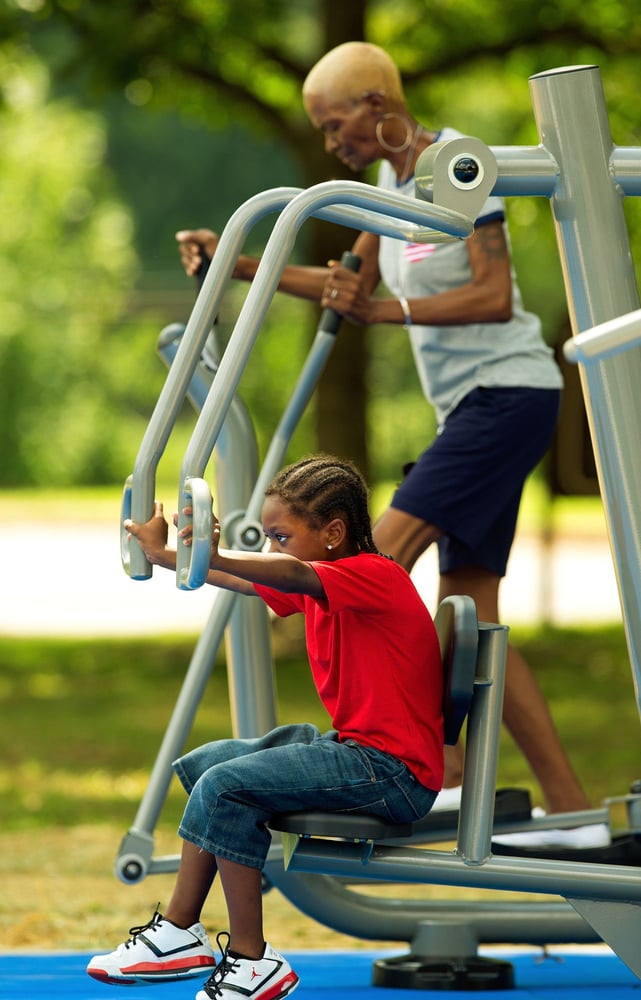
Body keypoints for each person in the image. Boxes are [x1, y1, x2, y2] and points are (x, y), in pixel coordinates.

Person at [175, 42, 609, 846]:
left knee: (369, 564)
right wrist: (236, 263)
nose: (332, 142)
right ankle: (571, 807)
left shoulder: (455, 169)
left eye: (335, 124)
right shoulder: (382, 185)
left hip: (507, 395)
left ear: (377, 104)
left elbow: (492, 292)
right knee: (474, 618)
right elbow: (353, 287)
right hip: (472, 409)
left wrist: (394, 316)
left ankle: (408, 763)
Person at [87, 455, 444, 996]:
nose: (273, 548)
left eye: (280, 536)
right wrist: (169, 556)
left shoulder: (375, 576)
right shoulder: (329, 583)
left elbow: (291, 573)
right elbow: (257, 583)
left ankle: (248, 958)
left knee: (227, 789)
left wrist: (211, 547)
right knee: (212, 764)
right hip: (357, 752)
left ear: (334, 532)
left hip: (392, 772)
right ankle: (182, 934)